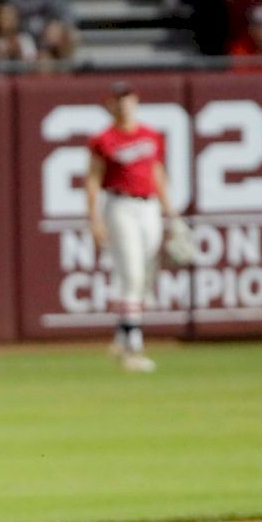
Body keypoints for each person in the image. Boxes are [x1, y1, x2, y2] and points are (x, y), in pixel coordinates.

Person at [84, 82, 181, 373]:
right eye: (117, 99)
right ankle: (133, 348)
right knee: (133, 274)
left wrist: (172, 215)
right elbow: (92, 180)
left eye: (127, 98)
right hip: (120, 205)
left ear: (135, 101)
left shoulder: (150, 135)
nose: (123, 104)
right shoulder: (104, 139)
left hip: (149, 206)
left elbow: (158, 174)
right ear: (109, 105)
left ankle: (120, 336)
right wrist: (95, 220)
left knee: (145, 277)